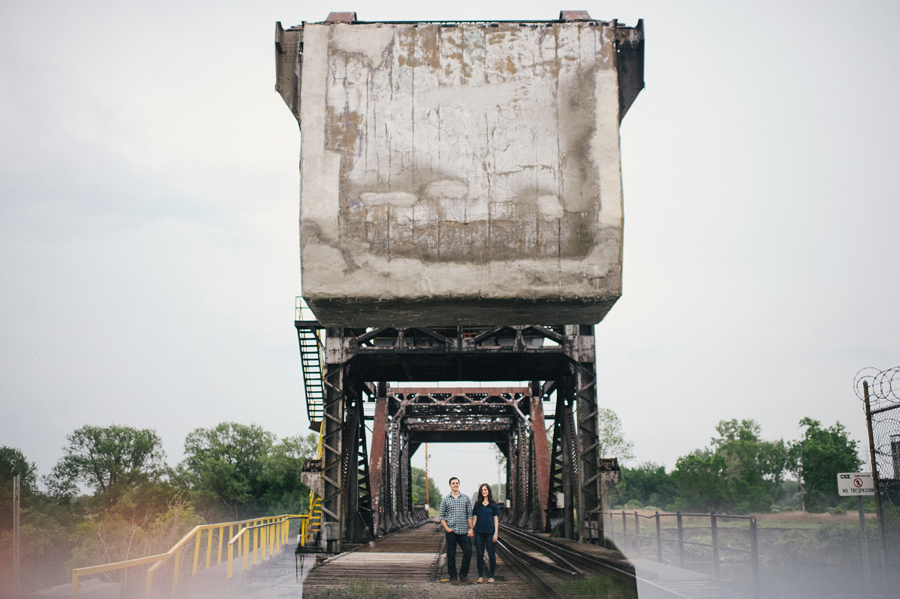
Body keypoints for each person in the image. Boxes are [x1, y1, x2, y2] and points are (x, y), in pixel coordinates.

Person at [438, 476, 474, 584]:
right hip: (451, 531)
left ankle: (463, 576)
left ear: (459, 484)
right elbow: (441, 517)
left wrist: (471, 528)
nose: (455, 485)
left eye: (456, 483)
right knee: (451, 554)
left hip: (463, 531)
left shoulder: (466, 498)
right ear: (450, 485)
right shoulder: (445, 500)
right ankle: (453, 577)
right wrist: (447, 529)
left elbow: (469, 515)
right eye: (453, 483)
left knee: (468, 552)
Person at [471, 482, 500, 583]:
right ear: (480, 492)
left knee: (491, 554)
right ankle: (480, 576)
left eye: (485, 490)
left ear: (488, 491)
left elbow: (496, 520)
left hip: (490, 533)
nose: (484, 492)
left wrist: (496, 533)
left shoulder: (494, 505)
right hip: (479, 532)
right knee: (479, 554)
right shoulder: (477, 504)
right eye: (482, 490)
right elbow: (474, 518)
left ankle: (492, 576)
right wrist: (471, 528)